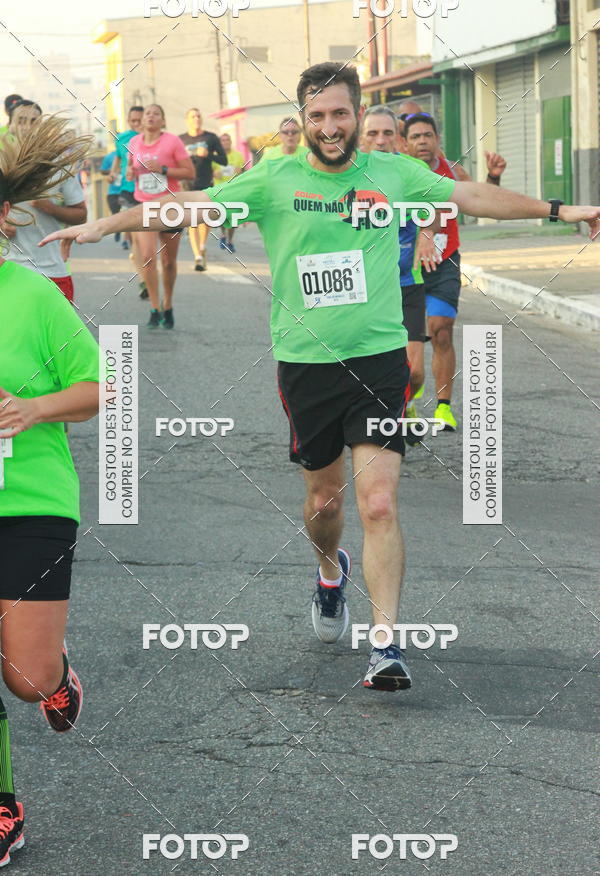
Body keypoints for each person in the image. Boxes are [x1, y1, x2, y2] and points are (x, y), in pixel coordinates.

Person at [42, 61, 600, 692]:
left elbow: (469, 197)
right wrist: (102, 224)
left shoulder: (392, 173)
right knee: (324, 502)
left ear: (359, 115)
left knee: (380, 500)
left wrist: (563, 207)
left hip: (380, 358)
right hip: (306, 366)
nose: (330, 127)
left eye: (341, 113)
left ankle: (385, 645)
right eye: (317, 116)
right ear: (302, 120)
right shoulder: (274, 179)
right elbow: (185, 206)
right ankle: (329, 572)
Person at [0, 112, 100, 868]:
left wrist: (34, 408)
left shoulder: (33, 298)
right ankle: (4, 805)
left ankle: (56, 671)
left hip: (32, 499)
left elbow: (97, 386)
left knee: (25, 679)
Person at [403, 112, 506, 430]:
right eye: (416, 136)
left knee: (442, 329)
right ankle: (408, 401)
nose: (423, 141)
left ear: (437, 139)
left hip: (445, 263)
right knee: (411, 349)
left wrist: (493, 178)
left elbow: (481, 201)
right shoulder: (399, 175)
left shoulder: (453, 172)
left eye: (428, 135)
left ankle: (444, 408)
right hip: (408, 269)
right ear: (404, 143)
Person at [360, 105, 440, 444]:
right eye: (373, 134)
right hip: (365, 289)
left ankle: (407, 405)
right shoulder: (349, 174)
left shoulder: (410, 170)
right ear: (361, 139)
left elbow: (434, 208)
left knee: (416, 370)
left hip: (407, 284)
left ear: (398, 139)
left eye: (388, 133)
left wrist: (426, 235)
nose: (381, 141)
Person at [2, 100, 87, 303]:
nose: (27, 126)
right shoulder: (2, 166)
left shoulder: (57, 167)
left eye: (33, 121)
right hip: (9, 270)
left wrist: (50, 208)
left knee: (62, 335)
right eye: (21, 121)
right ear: (11, 124)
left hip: (52, 271)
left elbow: (81, 215)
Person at [126, 103, 194, 329]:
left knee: (168, 262)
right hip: (145, 204)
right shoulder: (134, 143)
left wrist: (163, 169)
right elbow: (130, 169)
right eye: (148, 114)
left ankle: (168, 304)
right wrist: (130, 172)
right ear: (142, 120)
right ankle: (154, 307)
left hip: (170, 205)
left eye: (156, 114)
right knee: (147, 256)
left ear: (163, 121)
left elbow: (189, 172)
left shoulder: (173, 141)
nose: (151, 117)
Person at [179, 108, 227, 271]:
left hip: (206, 183)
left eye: (199, 115)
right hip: (188, 185)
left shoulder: (211, 137)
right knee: (193, 221)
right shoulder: (180, 140)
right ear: (187, 120)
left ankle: (202, 245)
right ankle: (198, 256)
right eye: (193, 116)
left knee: (205, 219)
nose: (196, 118)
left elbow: (224, 160)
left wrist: (208, 155)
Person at [112, 105, 145, 293]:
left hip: (152, 195)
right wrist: (113, 173)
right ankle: (143, 279)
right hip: (128, 191)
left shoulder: (157, 139)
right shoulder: (123, 139)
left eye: (139, 120)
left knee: (149, 241)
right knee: (137, 238)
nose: (137, 124)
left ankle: (147, 267)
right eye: (133, 121)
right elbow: (118, 159)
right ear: (128, 121)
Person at [212, 133, 245, 252]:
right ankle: (223, 235)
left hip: (234, 191)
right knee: (221, 216)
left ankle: (230, 240)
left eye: (227, 140)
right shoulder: (215, 156)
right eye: (223, 140)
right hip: (219, 190)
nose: (225, 142)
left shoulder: (238, 156)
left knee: (233, 218)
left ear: (231, 142)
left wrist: (240, 171)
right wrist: (214, 173)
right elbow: (208, 171)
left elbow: (244, 172)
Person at [100, 146, 122, 243]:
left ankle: (127, 239)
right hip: (113, 192)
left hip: (127, 190)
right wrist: (113, 171)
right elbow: (102, 171)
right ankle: (118, 230)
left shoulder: (132, 153)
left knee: (129, 213)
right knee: (115, 214)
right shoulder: (109, 157)